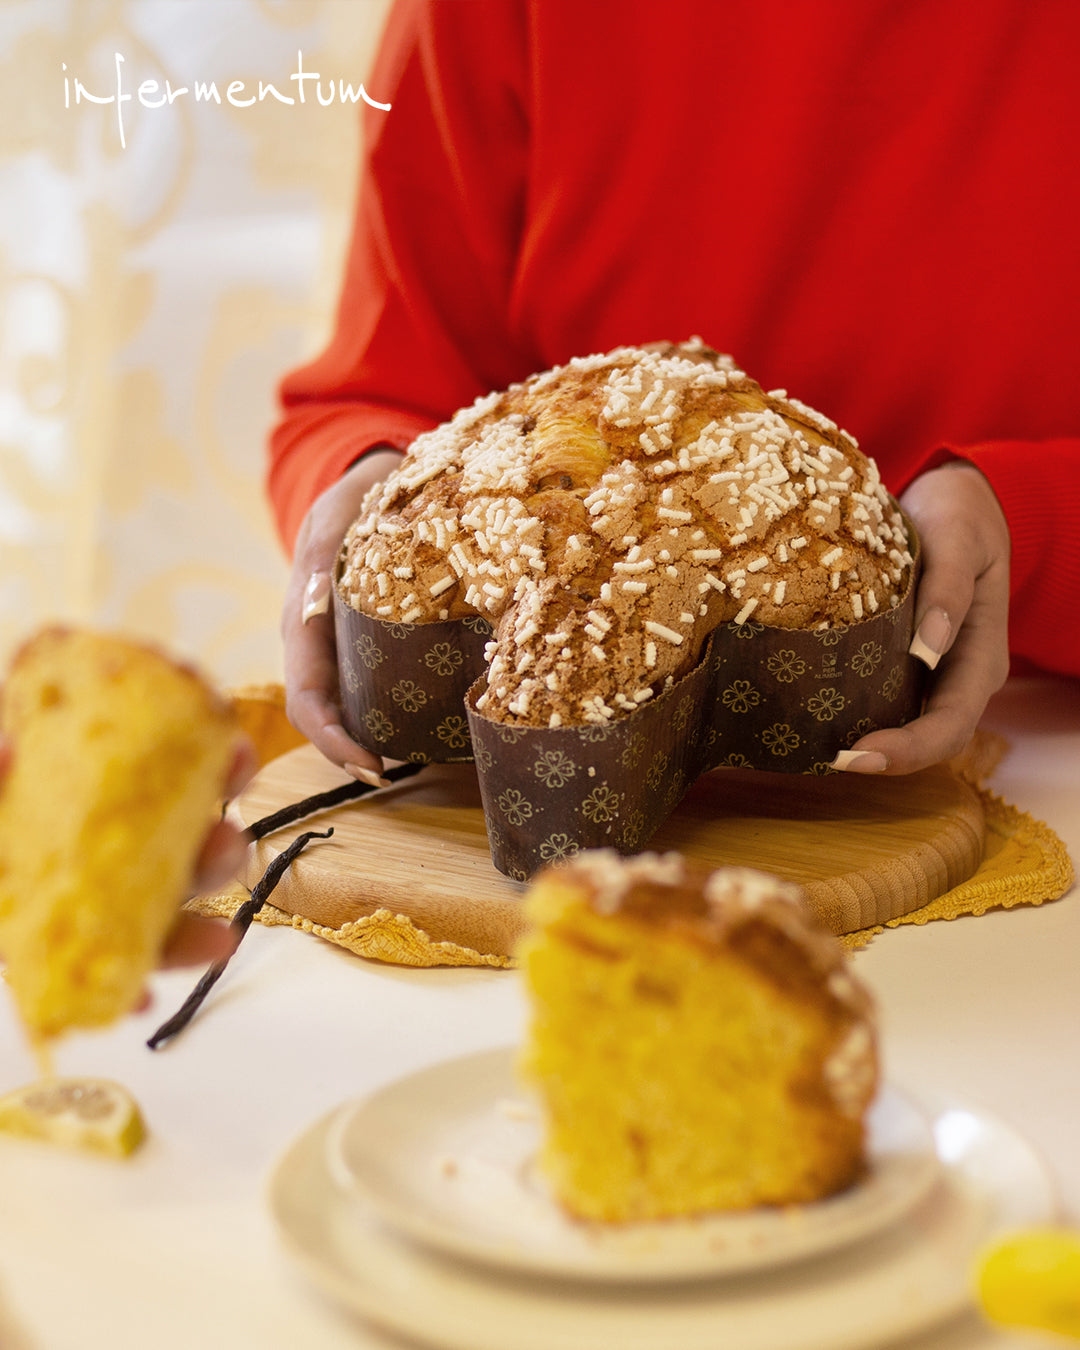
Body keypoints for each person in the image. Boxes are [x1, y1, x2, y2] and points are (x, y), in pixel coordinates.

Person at [269, 0, 1080, 786]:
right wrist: (369, 489)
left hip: (1044, 750)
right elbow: (369, 394)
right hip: (525, 758)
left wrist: (1029, 525)